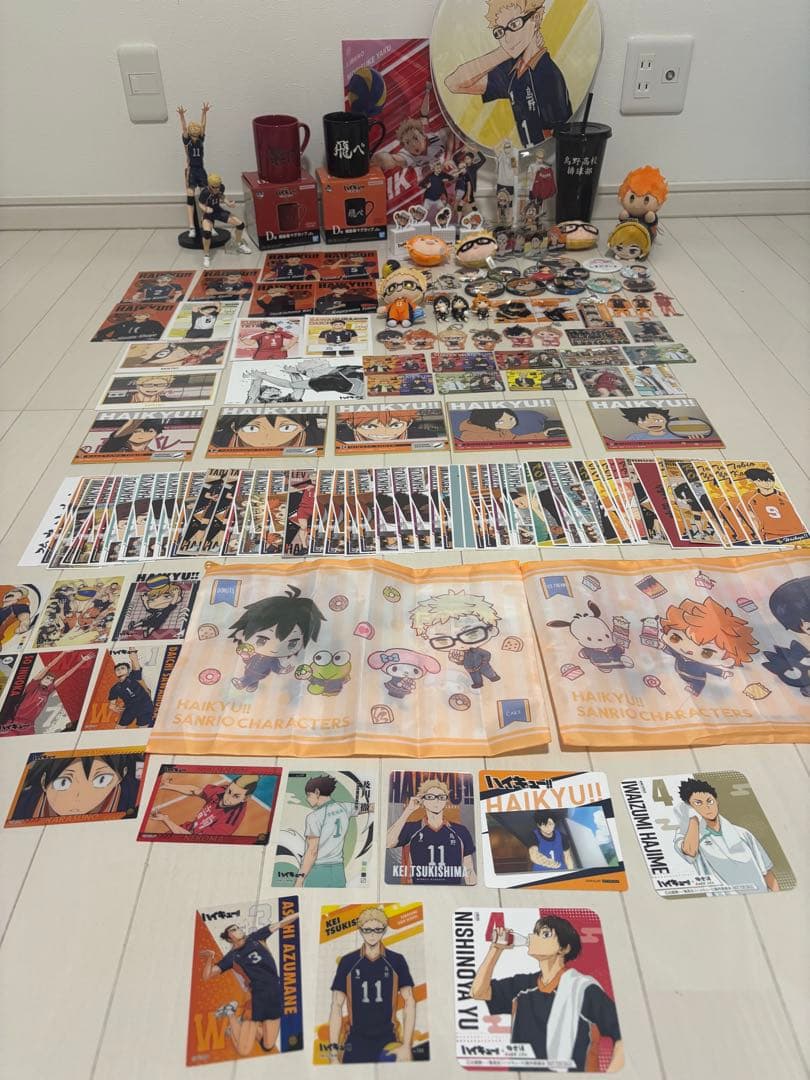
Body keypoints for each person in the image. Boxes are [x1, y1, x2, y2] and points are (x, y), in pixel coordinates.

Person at [470, 915, 623, 1072]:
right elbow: (478, 992)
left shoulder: (582, 989)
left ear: (564, 948)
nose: (534, 937)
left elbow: (623, 1035)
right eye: (535, 933)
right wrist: (496, 949)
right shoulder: (522, 986)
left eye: (545, 934)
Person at [445, 0, 571, 148]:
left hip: (540, 157)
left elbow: (554, 141)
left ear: (535, 18)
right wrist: (504, 52)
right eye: (500, 31)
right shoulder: (513, 70)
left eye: (514, 24)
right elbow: (453, 83)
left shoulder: (547, 75)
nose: (507, 38)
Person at [200, 911, 300, 1056]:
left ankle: (240, 1024)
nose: (238, 929)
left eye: (238, 927)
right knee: (243, 1050)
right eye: (233, 929)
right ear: (229, 938)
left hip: (275, 992)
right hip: (257, 998)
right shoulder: (232, 957)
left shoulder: (256, 937)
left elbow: (281, 923)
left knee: (268, 1045)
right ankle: (231, 1014)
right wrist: (210, 957)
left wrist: (299, 914)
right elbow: (207, 975)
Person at [328, 907, 416, 1064]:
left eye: (377, 929)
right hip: (355, 1041)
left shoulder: (396, 960)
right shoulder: (348, 962)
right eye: (367, 930)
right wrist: (333, 1054)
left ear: (384, 930)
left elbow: (409, 1001)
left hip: (388, 1041)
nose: (372, 934)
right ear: (360, 930)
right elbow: (336, 1005)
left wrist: (407, 1046)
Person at [675, 777, 779, 893]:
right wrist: (693, 818)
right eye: (698, 803)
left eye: (710, 801)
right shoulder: (686, 836)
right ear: (690, 807)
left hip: (761, 894)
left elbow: (766, 872)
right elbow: (690, 851)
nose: (707, 806)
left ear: (716, 801)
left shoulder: (743, 833)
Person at [228, 585, 326, 692]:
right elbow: (248, 660)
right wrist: (246, 657)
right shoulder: (257, 655)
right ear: (242, 632)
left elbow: (276, 667)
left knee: (250, 678)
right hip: (250, 670)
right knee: (252, 680)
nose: (274, 648)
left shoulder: (273, 660)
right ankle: (252, 686)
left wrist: (283, 670)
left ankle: (242, 683)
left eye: (292, 644)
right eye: (262, 640)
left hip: (259, 673)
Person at [657, 596, 759, 696]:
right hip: (680, 672)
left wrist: (722, 673)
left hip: (697, 678)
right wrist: (663, 647)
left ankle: (695, 690)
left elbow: (710, 669)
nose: (688, 651)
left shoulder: (701, 665)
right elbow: (672, 652)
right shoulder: (680, 655)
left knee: (698, 685)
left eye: (707, 653)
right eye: (675, 638)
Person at [386, 777, 476, 885]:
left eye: (441, 797)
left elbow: (469, 871)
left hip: (451, 892)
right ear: (422, 800)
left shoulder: (460, 831)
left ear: (446, 800)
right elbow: (387, 842)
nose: (436, 801)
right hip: (416, 890)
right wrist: (408, 811)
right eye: (430, 797)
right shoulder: (411, 829)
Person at [410, 589, 501, 690]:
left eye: (472, 634)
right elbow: (463, 661)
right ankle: (478, 683)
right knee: (475, 677)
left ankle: (493, 677)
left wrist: (484, 662)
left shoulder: (477, 650)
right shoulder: (459, 652)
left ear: (492, 630)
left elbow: (487, 654)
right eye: (442, 641)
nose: (459, 643)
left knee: (488, 672)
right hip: (471, 669)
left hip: (482, 665)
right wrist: (459, 661)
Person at [9, 751, 142, 820]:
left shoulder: (136, 795)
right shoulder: (21, 805)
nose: (79, 796)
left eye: (102, 780)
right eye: (63, 782)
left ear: (121, 776)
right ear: (44, 781)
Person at [295, 774, 367, 888]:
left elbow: (312, 850)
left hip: (318, 870)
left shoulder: (314, 817)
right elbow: (370, 807)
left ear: (317, 792)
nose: (307, 799)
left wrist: (299, 880)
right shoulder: (345, 807)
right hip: (338, 871)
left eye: (309, 795)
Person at [0, 652, 93, 735]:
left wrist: (82, 661)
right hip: (13, 722)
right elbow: (48, 666)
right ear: (42, 678)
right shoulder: (32, 686)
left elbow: (66, 675)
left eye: (51, 680)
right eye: (47, 678)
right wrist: (64, 653)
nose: (49, 681)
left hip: (28, 726)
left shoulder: (48, 690)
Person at [151, 773, 259, 836]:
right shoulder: (223, 790)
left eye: (236, 796)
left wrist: (165, 820)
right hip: (189, 827)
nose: (227, 798)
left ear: (245, 798)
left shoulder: (228, 824)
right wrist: (167, 785)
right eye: (229, 791)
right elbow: (195, 791)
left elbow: (191, 840)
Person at [198, 173, 251, 268]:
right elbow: (200, 204)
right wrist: (205, 209)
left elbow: (222, 196)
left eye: (218, 186)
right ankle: (206, 255)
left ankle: (238, 243)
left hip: (218, 211)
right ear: (209, 185)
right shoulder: (205, 193)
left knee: (240, 224)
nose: (217, 189)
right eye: (214, 187)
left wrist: (228, 203)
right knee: (207, 233)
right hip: (208, 214)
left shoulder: (221, 187)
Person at [741, 467, 807, 542]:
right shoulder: (750, 499)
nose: (766, 483)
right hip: (771, 535)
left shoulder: (786, 496)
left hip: (796, 533)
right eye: (760, 480)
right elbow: (753, 519)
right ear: (753, 481)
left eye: (769, 480)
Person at [210, 411, 324, 454]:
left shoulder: (318, 439)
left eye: (286, 428)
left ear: (305, 425)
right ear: (234, 427)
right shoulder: (218, 442)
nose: (269, 438)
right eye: (252, 429)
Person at [177, 102, 210, 236]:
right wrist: (182, 116)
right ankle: (192, 227)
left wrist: (204, 113)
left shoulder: (201, 139)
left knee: (205, 196)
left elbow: (203, 126)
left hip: (201, 170)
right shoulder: (187, 141)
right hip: (192, 170)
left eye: (198, 130)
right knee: (190, 197)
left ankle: (207, 224)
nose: (196, 131)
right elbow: (184, 129)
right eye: (193, 131)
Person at [106, 649, 154, 727]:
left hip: (144, 705)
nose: (119, 670)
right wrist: (113, 707)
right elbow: (112, 704)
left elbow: (134, 659)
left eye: (122, 668)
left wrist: (132, 649)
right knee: (119, 728)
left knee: (143, 728)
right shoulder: (115, 688)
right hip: (130, 708)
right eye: (117, 669)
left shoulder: (134, 676)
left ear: (128, 670)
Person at [98, 418, 165, 457]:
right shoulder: (113, 447)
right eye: (137, 431)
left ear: (156, 434)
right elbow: (117, 438)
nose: (142, 434)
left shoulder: (155, 455)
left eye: (150, 431)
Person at [96, 310, 166, 341]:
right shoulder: (124, 324)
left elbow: (163, 334)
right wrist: (106, 339)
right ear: (134, 316)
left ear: (148, 316)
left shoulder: (154, 323)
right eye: (139, 314)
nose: (142, 316)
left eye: (145, 314)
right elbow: (101, 332)